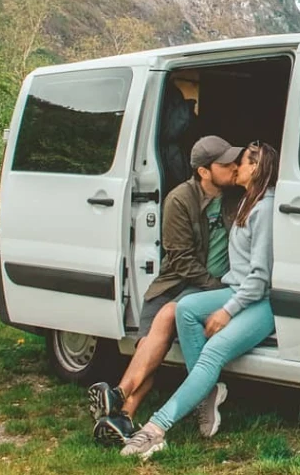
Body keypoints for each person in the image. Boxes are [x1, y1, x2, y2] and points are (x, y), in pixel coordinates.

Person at [121, 142, 278, 459]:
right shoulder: (248, 199)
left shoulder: (264, 209)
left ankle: (155, 428)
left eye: (242, 162)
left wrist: (226, 311)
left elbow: (260, 280)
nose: (236, 167)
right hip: (236, 290)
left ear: (256, 168)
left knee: (213, 351)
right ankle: (207, 394)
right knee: (184, 309)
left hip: (260, 301)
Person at [89, 135, 244, 445]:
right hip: (178, 283)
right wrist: (214, 288)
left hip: (203, 289)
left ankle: (120, 403)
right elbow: (182, 260)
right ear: (204, 171)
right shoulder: (179, 200)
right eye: (226, 163)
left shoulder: (234, 198)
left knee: (166, 320)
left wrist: (216, 291)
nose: (234, 167)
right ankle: (123, 414)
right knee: (151, 344)